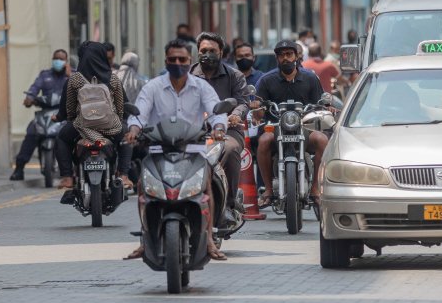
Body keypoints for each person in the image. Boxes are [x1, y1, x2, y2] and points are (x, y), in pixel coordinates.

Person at [124, 39, 229, 261]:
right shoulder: (152, 87)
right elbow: (139, 113)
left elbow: (216, 110)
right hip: (158, 150)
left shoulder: (201, 87)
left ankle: (209, 239)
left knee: (207, 184)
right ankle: (145, 238)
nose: (178, 63)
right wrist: (134, 129)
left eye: (182, 59)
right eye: (173, 59)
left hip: (193, 151)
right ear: (166, 61)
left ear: (190, 60)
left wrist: (219, 126)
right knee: (143, 186)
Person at [253, 40, 328, 207]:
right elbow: (257, 108)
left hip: (305, 128)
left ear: (297, 56)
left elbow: (321, 104)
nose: (285, 58)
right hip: (276, 128)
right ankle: (268, 190)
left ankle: (316, 188)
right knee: (263, 141)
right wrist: (256, 108)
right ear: (277, 58)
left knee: (322, 140)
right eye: (281, 55)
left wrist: (327, 106)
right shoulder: (266, 80)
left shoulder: (310, 78)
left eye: (289, 54)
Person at [55, 41, 132, 190]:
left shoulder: (74, 80)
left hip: (82, 127)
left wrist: (70, 119)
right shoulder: (113, 79)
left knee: (61, 138)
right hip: (110, 126)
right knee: (125, 138)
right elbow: (122, 106)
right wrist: (120, 120)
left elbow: (67, 109)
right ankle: (123, 176)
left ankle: (67, 177)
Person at [190, 32, 248, 213]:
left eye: (212, 50)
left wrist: (236, 115)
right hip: (194, 131)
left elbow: (243, 102)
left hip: (227, 131)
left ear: (221, 52)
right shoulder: (188, 75)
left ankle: (229, 206)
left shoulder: (235, 76)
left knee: (229, 150)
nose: (207, 54)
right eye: (203, 50)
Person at [10, 49, 69, 181]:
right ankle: (19, 168)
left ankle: (75, 171)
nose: (58, 61)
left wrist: (70, 75)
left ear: (66, 61)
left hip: (65, 114)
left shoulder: (71, 75)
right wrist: (29, 98)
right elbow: (34, 89)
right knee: (32, 132)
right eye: (56, 58)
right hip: (45, 113)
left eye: (61, 59)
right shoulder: (45, 75)